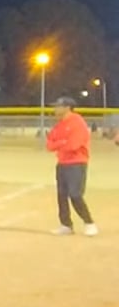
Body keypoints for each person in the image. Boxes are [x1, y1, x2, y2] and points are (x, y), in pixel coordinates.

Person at [47, 96, 98, 236]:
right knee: (61, 195)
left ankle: (89, 222)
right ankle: (66, 225)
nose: (55, 109)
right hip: (62, 163)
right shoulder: (59, 124)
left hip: (77, 163)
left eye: (58, 106)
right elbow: (49, 145)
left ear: (67, 108)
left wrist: (60, 143)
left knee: (75, 194)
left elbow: (74, 145)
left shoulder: (78, 122)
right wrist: (62, 142)